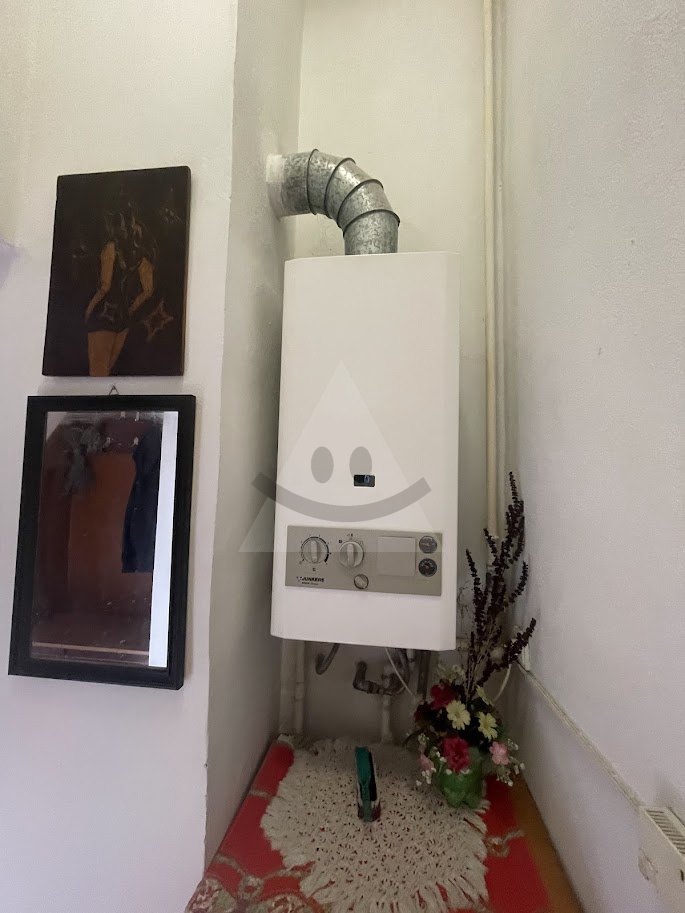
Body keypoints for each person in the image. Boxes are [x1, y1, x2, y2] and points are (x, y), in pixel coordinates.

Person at [84, 207, 156, 376]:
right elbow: (148, 290)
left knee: (97, 371)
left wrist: (89, 310)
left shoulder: (111, 247)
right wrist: (130, 309)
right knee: (106, 372)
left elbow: (105, 286)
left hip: (102, 314)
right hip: (123, 318)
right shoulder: (141, 256)